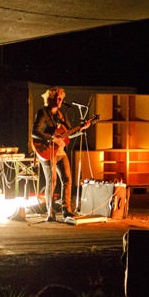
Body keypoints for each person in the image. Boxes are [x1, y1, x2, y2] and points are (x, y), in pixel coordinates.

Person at [31, 87, 92, 221]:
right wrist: (52, 138)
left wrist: (81, 128)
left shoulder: (60, 115)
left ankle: (67, 211)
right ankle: (50, 213)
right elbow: (34, 132)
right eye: (58, 98)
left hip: (60, 151)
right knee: (52, 181)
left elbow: (69, 132)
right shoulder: (42, 113)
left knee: (68, 179)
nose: (60, 101)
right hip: (46, 150)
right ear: (50, 98)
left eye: (61, 99)